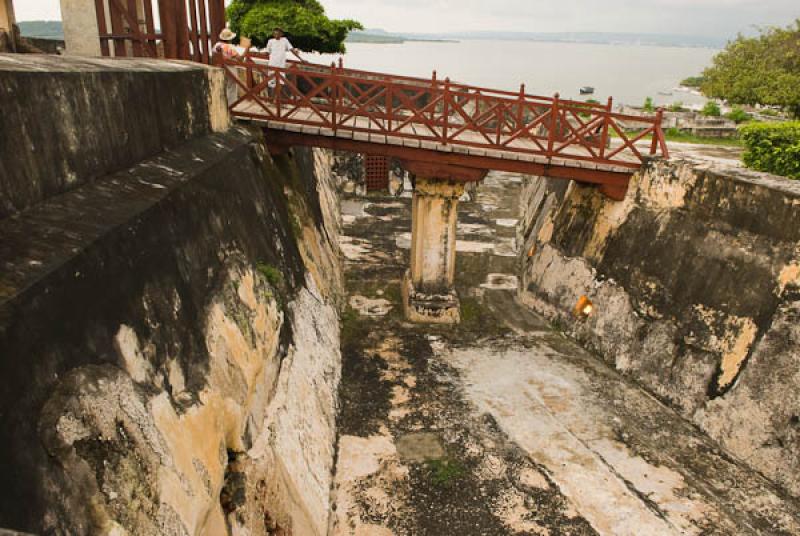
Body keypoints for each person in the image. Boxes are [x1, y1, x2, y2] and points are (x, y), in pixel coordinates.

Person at [262, 27, 305, 96]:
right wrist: (257, 53)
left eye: (278, 33)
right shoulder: (270, 41)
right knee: (271, 83)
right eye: (274, 33)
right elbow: (267, 52)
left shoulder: (285, 40)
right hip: (272, 64)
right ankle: (272, 99)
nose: (276, 35)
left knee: (280, 82)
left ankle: (277, 99)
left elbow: (292, 50)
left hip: (281, 65)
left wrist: (301, 59)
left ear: (281, 34)